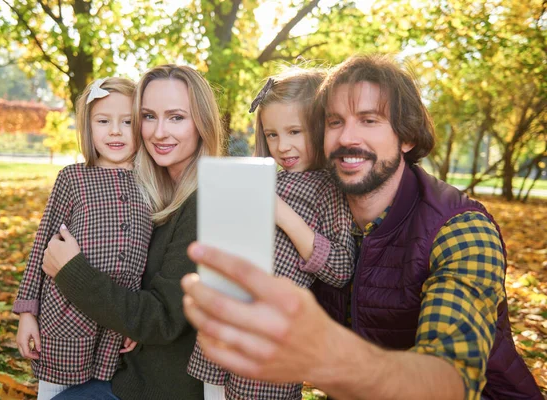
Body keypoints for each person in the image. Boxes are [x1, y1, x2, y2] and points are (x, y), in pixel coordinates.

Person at [181, 55, 543, 400]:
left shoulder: (460, 230)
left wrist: (325, 353)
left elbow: (450, 381)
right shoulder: (317, 205)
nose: (346, 137)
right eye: (335, 122)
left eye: (368, 120)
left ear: (406, 136)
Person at [40, 65, 223, 400]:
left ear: (202, 123)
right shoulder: (147, 191)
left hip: (154, 388)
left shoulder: (205, 202)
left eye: (177, 117)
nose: (158, 132)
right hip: (118, 369)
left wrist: (71, 271)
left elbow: (162, 319)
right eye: (148, 116)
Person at [188, 69, 356, 400]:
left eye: (295, 131)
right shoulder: (264, 179)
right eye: (273, 135)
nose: (283, 146)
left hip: (272, 332)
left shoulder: (331, 190)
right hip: (226, 316)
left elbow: (341, 268)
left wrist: (283, 215)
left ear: (322, 127)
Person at [13, 77, 150, 400]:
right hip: (64, 317)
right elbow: (42, 246)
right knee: (57, 392)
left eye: (127, 122)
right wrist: (27, 314)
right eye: (103, 121)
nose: (115, 131)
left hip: (117, 316)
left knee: (101, 391)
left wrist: (135, 320)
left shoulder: (150, 184)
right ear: (88, 128)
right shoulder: (73, 178)